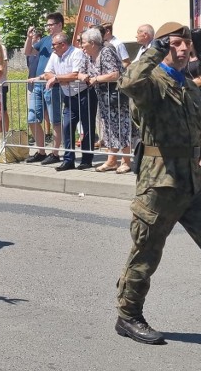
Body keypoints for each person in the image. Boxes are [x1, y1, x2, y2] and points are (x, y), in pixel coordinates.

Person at [115, 22, 201, 345]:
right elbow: (127, 81)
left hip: (191, 182)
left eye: (186, 44)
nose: (182, 50)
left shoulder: (190, 88)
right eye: (176, 44)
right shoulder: (152, 83)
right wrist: (155, 48)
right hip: (159, 185)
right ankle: (128, 315)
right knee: (146, 253)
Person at [36, 32, 96, 171]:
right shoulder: (54, 55)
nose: (52, 48)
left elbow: (75, 74)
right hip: (68, 96)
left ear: (63, 45)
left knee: (87, 129)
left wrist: (57, 79)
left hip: (84, 94)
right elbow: (47, 73)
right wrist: (60, 77)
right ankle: (69, 160)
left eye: (54, 45)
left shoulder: (77, 53)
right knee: (67, 127)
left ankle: (87, 160)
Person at [78, 28, 131, 173]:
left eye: (83, 42)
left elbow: (115, 74)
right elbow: (81, 71)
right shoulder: (88, 55)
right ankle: (111, 161)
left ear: (93, 43)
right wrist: (82, 76)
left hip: (116, 97)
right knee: (108, 129)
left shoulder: (106, 52)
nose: (81, 45)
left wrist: (96, 79)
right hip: (103, 98)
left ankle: (126, 161)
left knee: (122, 128)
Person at [23, 13, 64, 165]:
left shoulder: (63, 41)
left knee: (55, 120)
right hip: (38, 85)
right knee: (32, 119)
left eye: (51, 24)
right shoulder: (46, 40)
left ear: (59, 25)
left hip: (53, 85)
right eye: (47, 25)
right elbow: (28, 52)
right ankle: (41, 151)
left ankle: (55, 153)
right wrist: (29, 37)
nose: (48, 27)